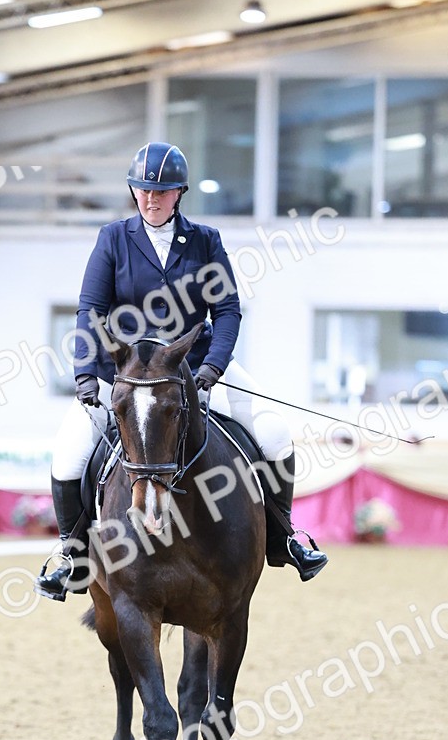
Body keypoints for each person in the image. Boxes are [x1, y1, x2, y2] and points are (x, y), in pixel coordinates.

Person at [35, 142, 328, 600]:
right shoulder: (114, 238)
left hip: (194, 368)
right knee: (69, 454)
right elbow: (90, 309)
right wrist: (84, 374)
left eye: (162, 191)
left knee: (274, 434)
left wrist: (213, 367)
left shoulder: (205, 240)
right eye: (142, 190)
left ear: (179, 193)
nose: (151, 199)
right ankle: (72, 556)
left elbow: (227, 311)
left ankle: (284, 538)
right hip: (128, 376)